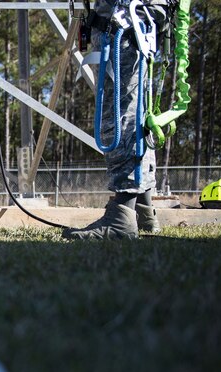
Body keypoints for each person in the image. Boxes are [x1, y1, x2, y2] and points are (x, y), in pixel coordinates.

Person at [62, 0, 171, 240]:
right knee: (135, 115)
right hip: (126, 24)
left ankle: (122, 217)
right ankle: (143, 211)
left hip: (125, 25)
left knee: (122, 118)